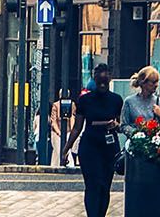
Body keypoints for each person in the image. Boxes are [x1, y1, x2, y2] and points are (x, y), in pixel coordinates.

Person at [66, 63, 125, 217]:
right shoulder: (85, 100)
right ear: (95, 80)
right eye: (100, 82)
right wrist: (66, 148)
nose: (103, 85)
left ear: (110, 79)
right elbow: (77, 127)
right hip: (90, 146)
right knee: (93, 185)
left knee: (105, 186)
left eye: (105, 82)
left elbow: (120, 124)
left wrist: (116, 125)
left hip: (109, 146)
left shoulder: (117, 100)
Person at [47, 87, 75, 167]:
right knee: (57, 150)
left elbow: (72, 118)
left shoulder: (72, 105)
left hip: (68, 132)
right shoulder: (55, 105)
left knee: (66, 149)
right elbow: (54, 121)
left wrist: (72, 130)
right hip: (57, 132)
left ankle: (68, 164)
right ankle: (55, 165)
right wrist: (58, 132)